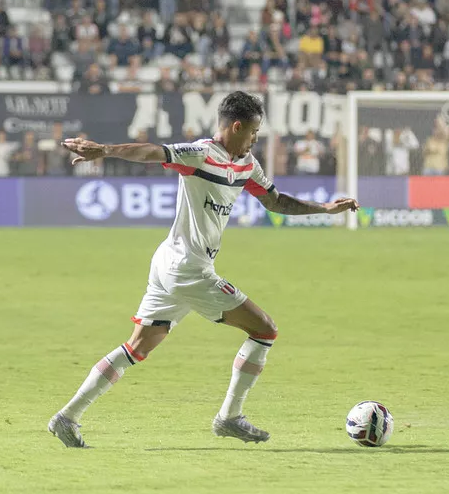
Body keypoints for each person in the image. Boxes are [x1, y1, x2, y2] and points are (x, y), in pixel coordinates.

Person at [52, 92, 360, 448]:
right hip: (188, 268)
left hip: (170, 261)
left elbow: (275, 201)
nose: (255, 139)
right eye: (254, 132)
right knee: (265, 330)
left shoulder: (247, 165)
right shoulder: (201, 153)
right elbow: (154, 152)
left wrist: (324, 209)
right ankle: (229, 417)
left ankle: (67, 417)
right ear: (236, 126)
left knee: (138, 346)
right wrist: (104, 151)